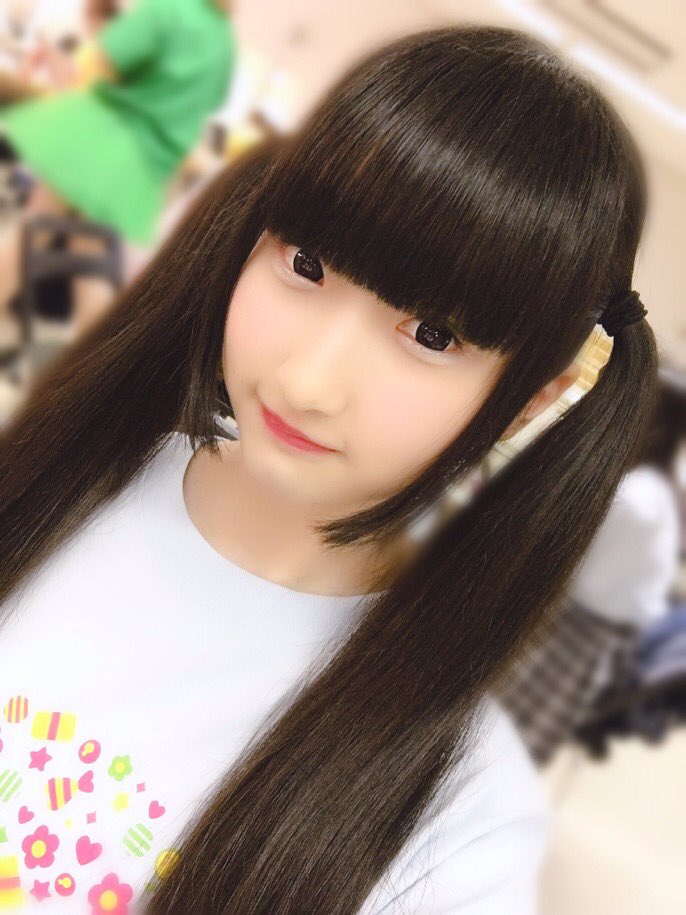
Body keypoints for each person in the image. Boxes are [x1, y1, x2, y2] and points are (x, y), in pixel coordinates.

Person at [0, 23, 658, 914]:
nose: (308, 382)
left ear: (530, 399)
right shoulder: (56, 474)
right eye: (305, 265)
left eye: (433, 335)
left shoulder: (461, 819)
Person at [0, 0, 237, 322]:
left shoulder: (170, 9)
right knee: (91, 265)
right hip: (141, 167)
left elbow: (103, 59)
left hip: (104, 136)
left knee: (31, 233)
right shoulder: (223, 41)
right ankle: (96, 351)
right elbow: (210, 102)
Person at [496, 374, 683, 765]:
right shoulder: (654, 488)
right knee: (520, 728)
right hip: (598, 628)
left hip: (580, 626)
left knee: (510, 727)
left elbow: (576, 560)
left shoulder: (637, 495)